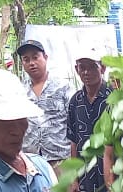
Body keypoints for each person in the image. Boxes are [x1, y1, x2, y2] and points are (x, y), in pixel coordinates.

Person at [66, 46, 110, 192]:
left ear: (102, 68)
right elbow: (74, 140)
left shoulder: (114, 98)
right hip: (88, 180)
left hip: (113, 178)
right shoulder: (75, 101)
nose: (86, 72)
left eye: (91, 67)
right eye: (82, 67)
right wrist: (74, 178)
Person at [14, 32, 73, 165]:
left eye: (35, 57)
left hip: (59, 158)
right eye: (26, 59)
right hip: (31, 160)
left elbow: (74, 122)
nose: (32, 63)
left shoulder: (63, 87)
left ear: (45, 57)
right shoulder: (19, 91)